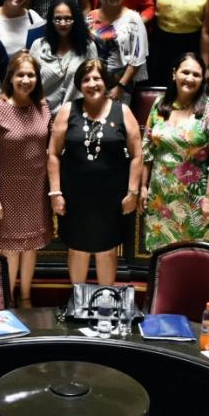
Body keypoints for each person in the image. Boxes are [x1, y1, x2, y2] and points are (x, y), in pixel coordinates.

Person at [48, 59, 142, 286]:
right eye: (86, 79)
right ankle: (78, 300)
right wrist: (55, 193)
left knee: (107, 250)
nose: (92, 84)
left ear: (106, 81)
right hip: (75, 195)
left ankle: (105, 301)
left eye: (97, 78)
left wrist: (133, 192)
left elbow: (137, 154)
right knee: (77, 248)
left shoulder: (123, 111)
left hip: (111, 197)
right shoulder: (68, 110)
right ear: (80, 84)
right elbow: (53, 153)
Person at [0, 52, 53, 305]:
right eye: (20, 74)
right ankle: (9, 301)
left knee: (32, 247)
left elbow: (52, 148)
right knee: (10, 249)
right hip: (6, 191)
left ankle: (26, 297)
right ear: (11, 77)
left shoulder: (43, 107)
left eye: (30, 75)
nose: (25, 80)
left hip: (36, 189)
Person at [139, 54, 209, 251]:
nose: (189, 78)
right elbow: (147, 148)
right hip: (160, 198)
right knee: (163, 255)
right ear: (174, 74)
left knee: (197, 257)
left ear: (203, 79)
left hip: (196, 199)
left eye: (196, 74)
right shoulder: (160, 104)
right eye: (185, 72)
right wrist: (143, 187)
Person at [88, 0, 149, 103]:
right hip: (91, 83)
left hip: (120, 86)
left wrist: (120, 87)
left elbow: (137, 59)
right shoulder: (90, 17)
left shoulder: (134, 19)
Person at [30, 0, 98, 111]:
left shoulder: (88, 47)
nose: (62, 23)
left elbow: (94, 81)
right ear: (51, 21)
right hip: (42, 113)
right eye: (57, 19)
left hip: (76, 115)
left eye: (68, 19)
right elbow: (30, 80)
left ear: (75, 20)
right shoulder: (38, 45)